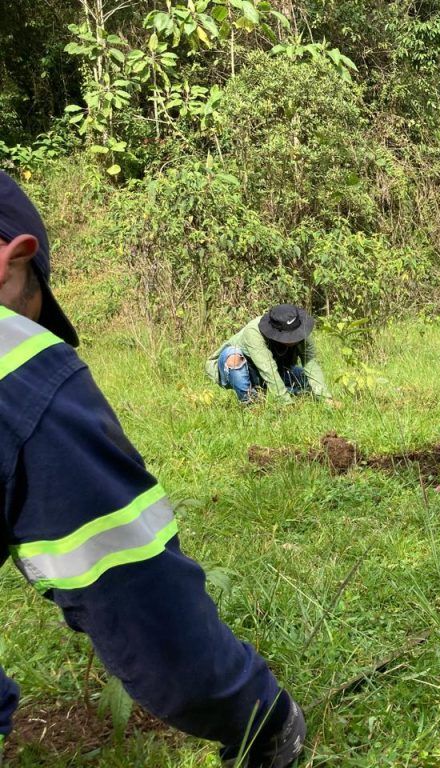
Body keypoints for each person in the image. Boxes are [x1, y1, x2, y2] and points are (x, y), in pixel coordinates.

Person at [0, 171, 304, 767]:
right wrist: (256, 711)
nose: (29, 331)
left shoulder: (301, 337)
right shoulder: (19, 367)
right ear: (15, 260)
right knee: (245, 376)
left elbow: (304, 371)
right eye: (34, 310)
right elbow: (135, 588)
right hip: (236, 368)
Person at [205, 304, 333, 405]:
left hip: (280, 369)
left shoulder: (301, 330)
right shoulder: (254, 332)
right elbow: (268, 369)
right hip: (242, 370)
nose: (294, 338)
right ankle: (251, 403)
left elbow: (311, 364)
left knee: (307, 383)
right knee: (233, 356)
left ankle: (288, 393)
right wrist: (286, 403)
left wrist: (326, 398)